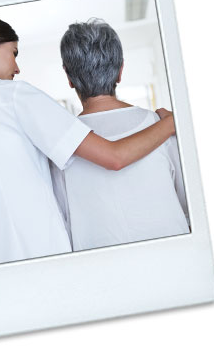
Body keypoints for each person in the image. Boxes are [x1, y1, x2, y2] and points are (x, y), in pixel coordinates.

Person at [0, 13, 175, 269]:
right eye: (14, 53)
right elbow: (114, 157)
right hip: (40, 259)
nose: (17, 67)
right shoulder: (12, 96)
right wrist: (170, 122)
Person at [52, 18, 190, 252]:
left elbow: (62, 222)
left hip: (103, 276)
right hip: (175, 260)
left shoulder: (59, 148)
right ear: (120, 70)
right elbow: (191, 204)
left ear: (68, 77)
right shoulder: (165, 126)